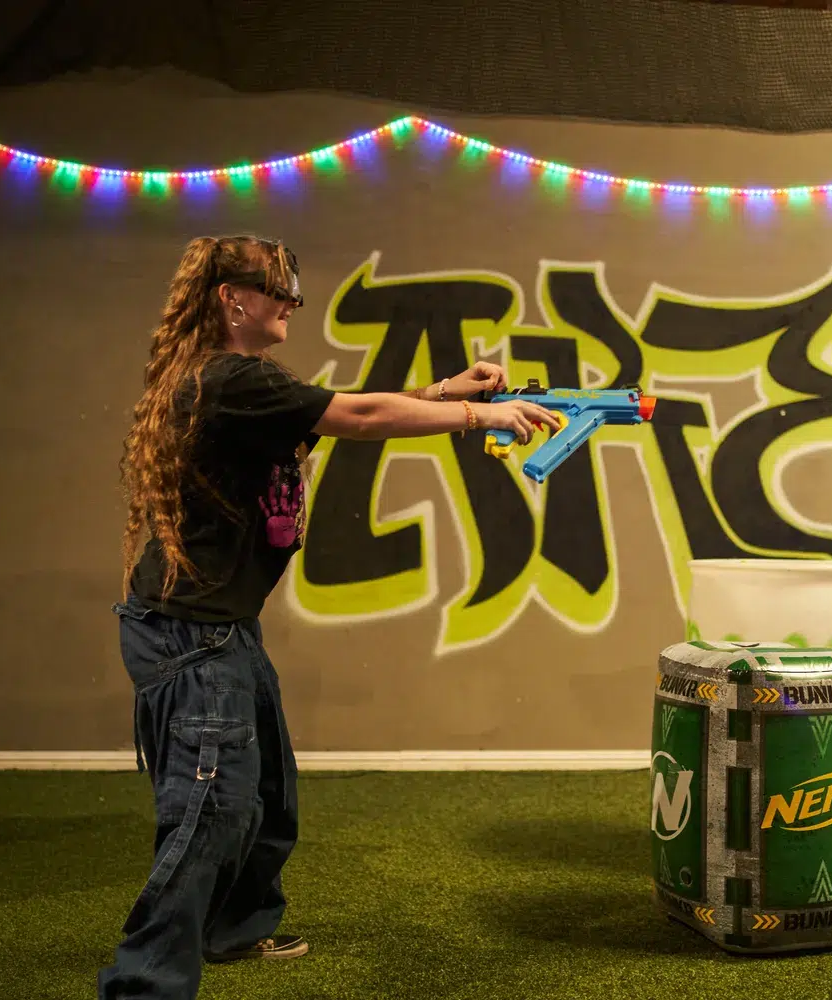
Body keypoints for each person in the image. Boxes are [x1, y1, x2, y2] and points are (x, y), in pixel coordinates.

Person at [99, 234, 559, 1000]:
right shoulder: (226, 380)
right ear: (230, 299)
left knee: (267, 794)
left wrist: (449, 391)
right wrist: (481, 415)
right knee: (210, 808)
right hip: (190, 632)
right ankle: (144, 982)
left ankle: (234, 925)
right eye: (277, 292)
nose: (292, 305)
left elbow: (333, 414)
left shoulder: (251, 386)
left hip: (221, 625)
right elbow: (365, 415)